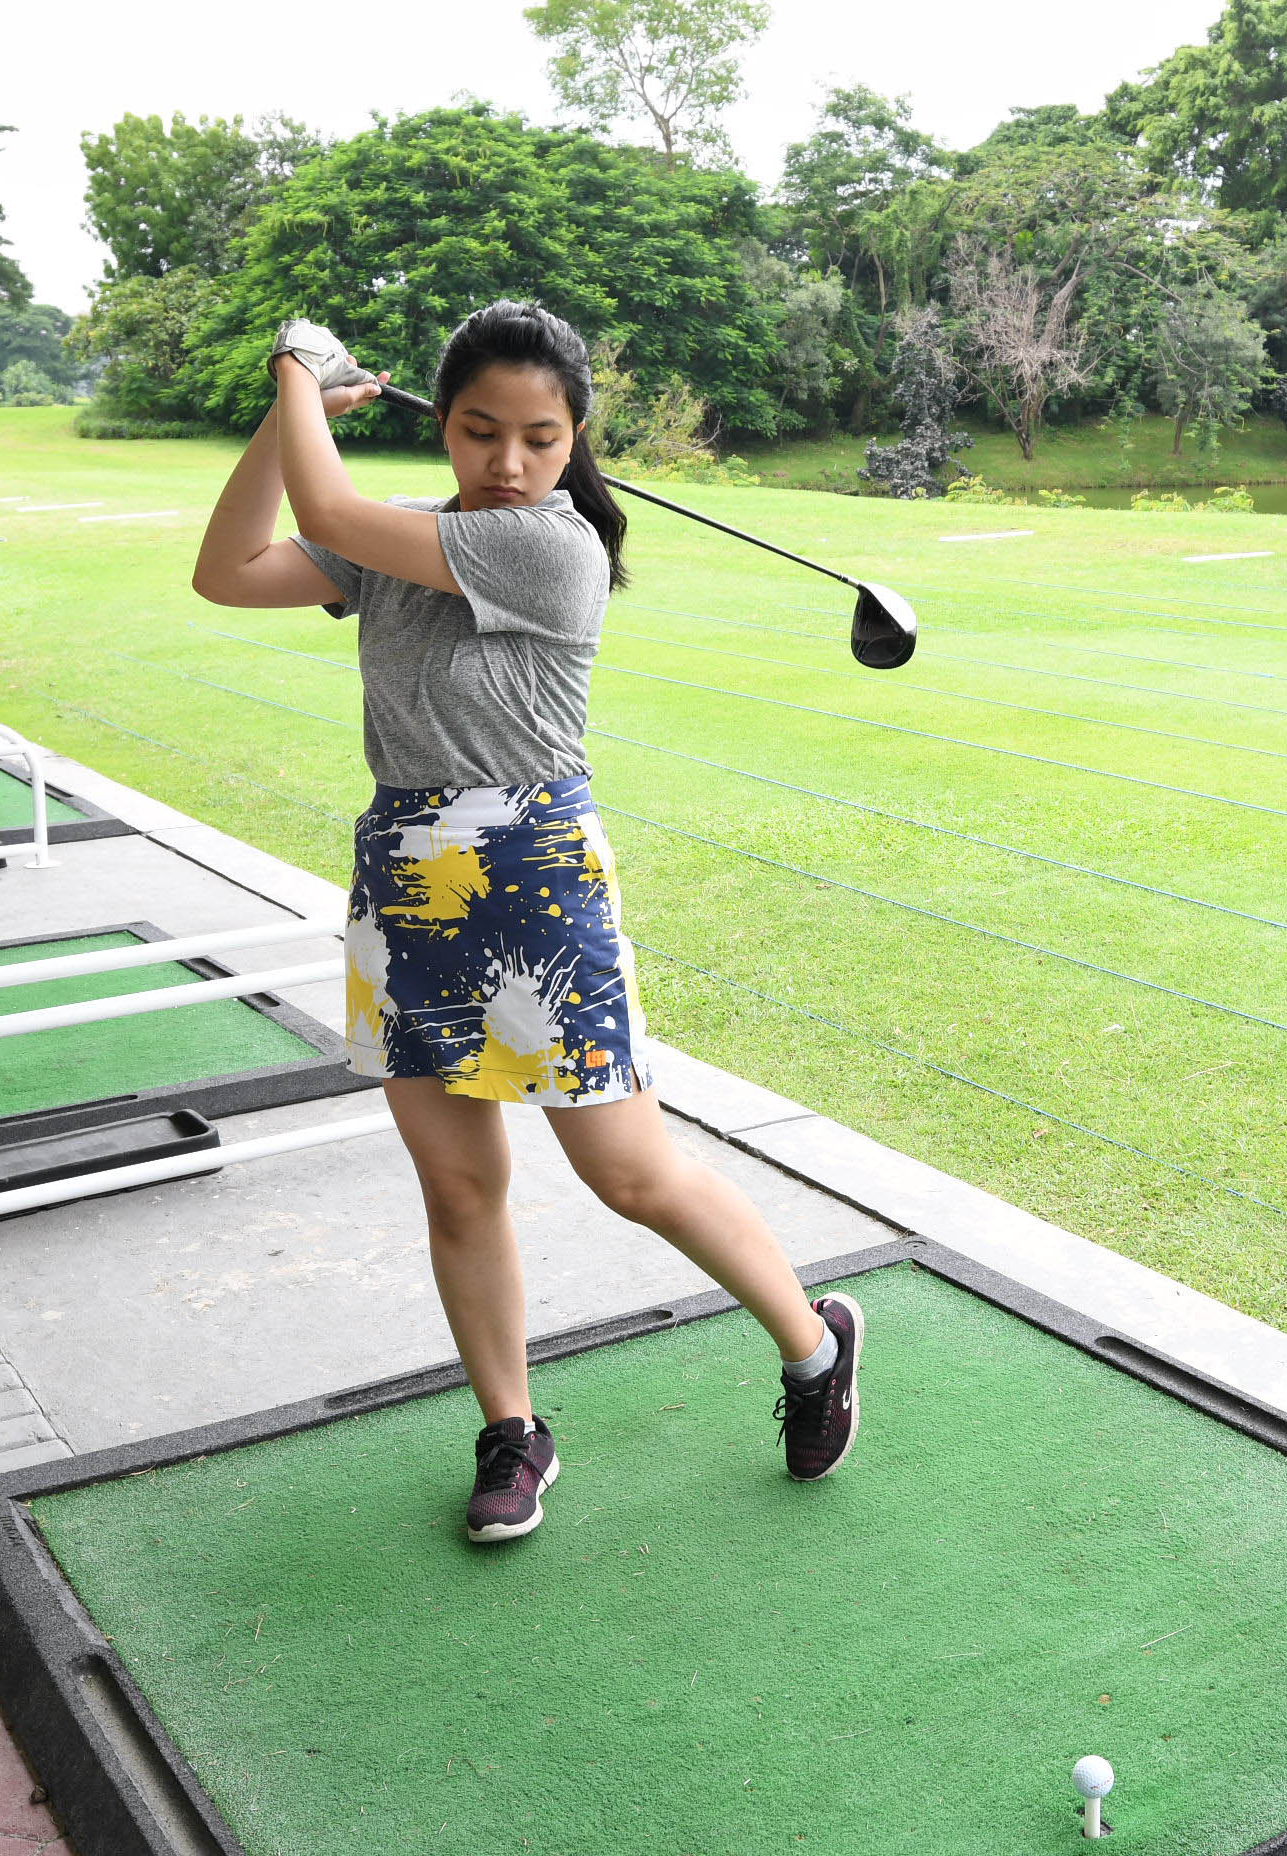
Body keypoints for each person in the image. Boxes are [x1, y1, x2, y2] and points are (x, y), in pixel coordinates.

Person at [191, 303, 860, 1543]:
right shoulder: (412, 538)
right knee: (459, 1183)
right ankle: (513, 1430)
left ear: (575, 440)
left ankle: (815, 1344)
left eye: (540, 437)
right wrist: (277, 415)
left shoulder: (553, 549)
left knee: (627, 1171)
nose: (508, 463)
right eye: (480, 431)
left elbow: (330, 516)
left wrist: (293, 367)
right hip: (403, 868)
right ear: (439, 425)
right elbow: (226, 573)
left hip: (535, 870)